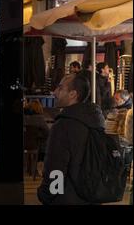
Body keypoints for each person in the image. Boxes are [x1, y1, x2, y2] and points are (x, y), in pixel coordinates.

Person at [37, 73, 105, 205]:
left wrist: (45, 195)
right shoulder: (96, 121)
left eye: (60, 88)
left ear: (73, 94)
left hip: (66, 198)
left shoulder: (63, 125)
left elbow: (55, 169)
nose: (55, 92)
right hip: (92, 196)